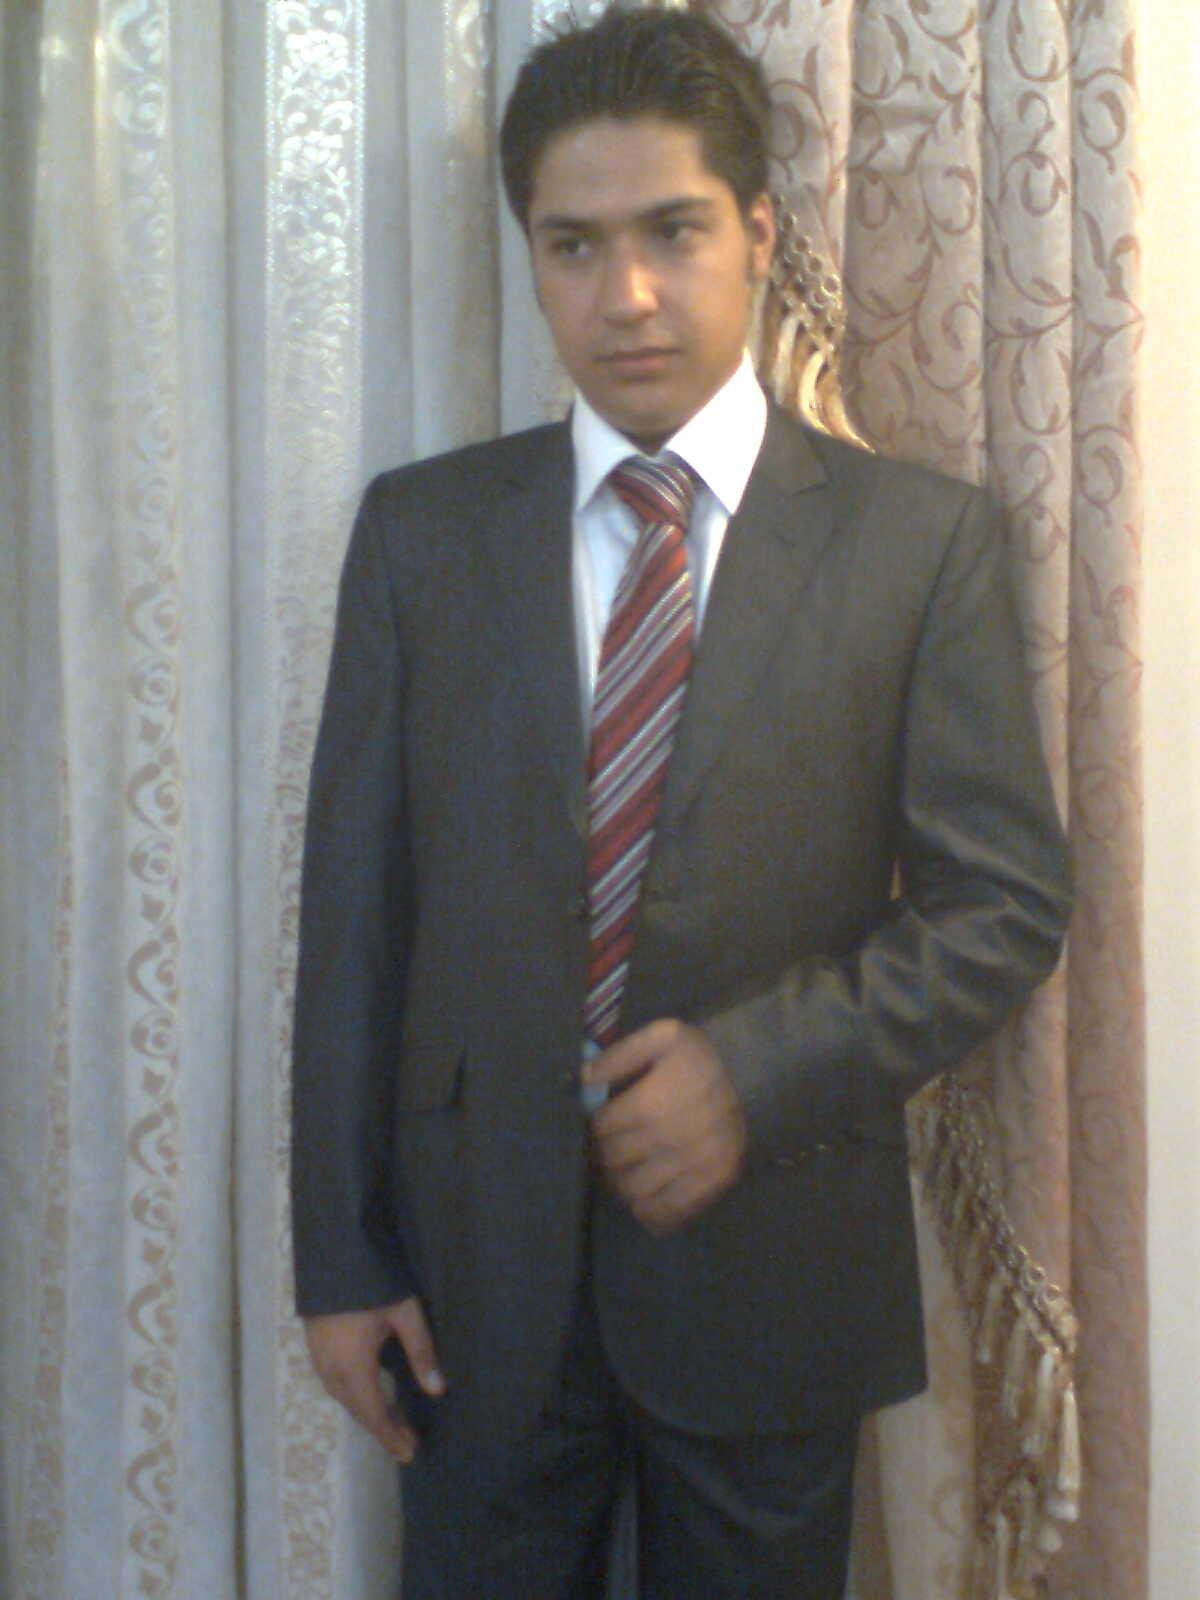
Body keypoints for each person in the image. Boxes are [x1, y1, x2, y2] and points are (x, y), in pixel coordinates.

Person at [290, 7, 1072, 1596]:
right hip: (473, 1282)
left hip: (773, 1253)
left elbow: (1004, 903)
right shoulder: (424, 539)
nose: (627, 293)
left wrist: (757, 1069)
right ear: (530, 256)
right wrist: (341, 1256)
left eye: (675, 230)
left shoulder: (917, 546)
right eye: (573, 244)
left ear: (760, 233)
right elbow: (357, 915)